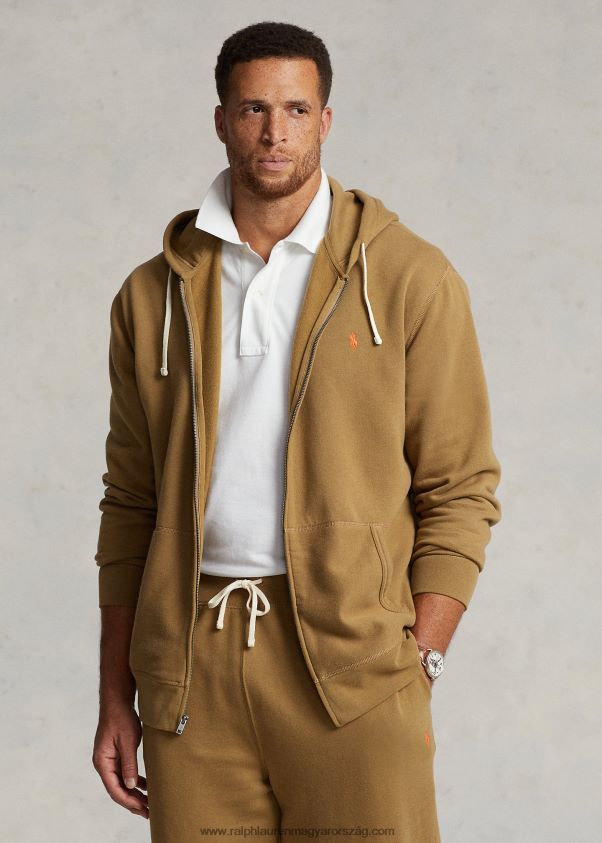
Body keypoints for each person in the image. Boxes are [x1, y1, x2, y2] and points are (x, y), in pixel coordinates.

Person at [92, 20, 502, 843]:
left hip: (353, 665)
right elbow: (130, 503)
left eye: (296, 109)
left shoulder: (410, 276)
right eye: (253, 109)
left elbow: (461, 488)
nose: (274, 132)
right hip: (191, 666)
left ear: (326, 120)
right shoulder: (150, 295)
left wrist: (419, 657)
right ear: (221, 120)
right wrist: (116, 692)